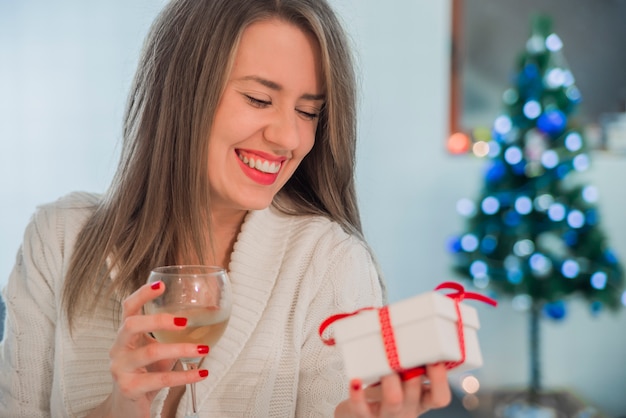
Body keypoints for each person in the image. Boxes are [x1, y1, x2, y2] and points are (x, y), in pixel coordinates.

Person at [0, 0, 451, 416]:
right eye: (258, 99)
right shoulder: (58, 240)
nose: (289, 138)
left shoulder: (329, 264)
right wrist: (121, 407)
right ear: (181, 91)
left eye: (309, 112)